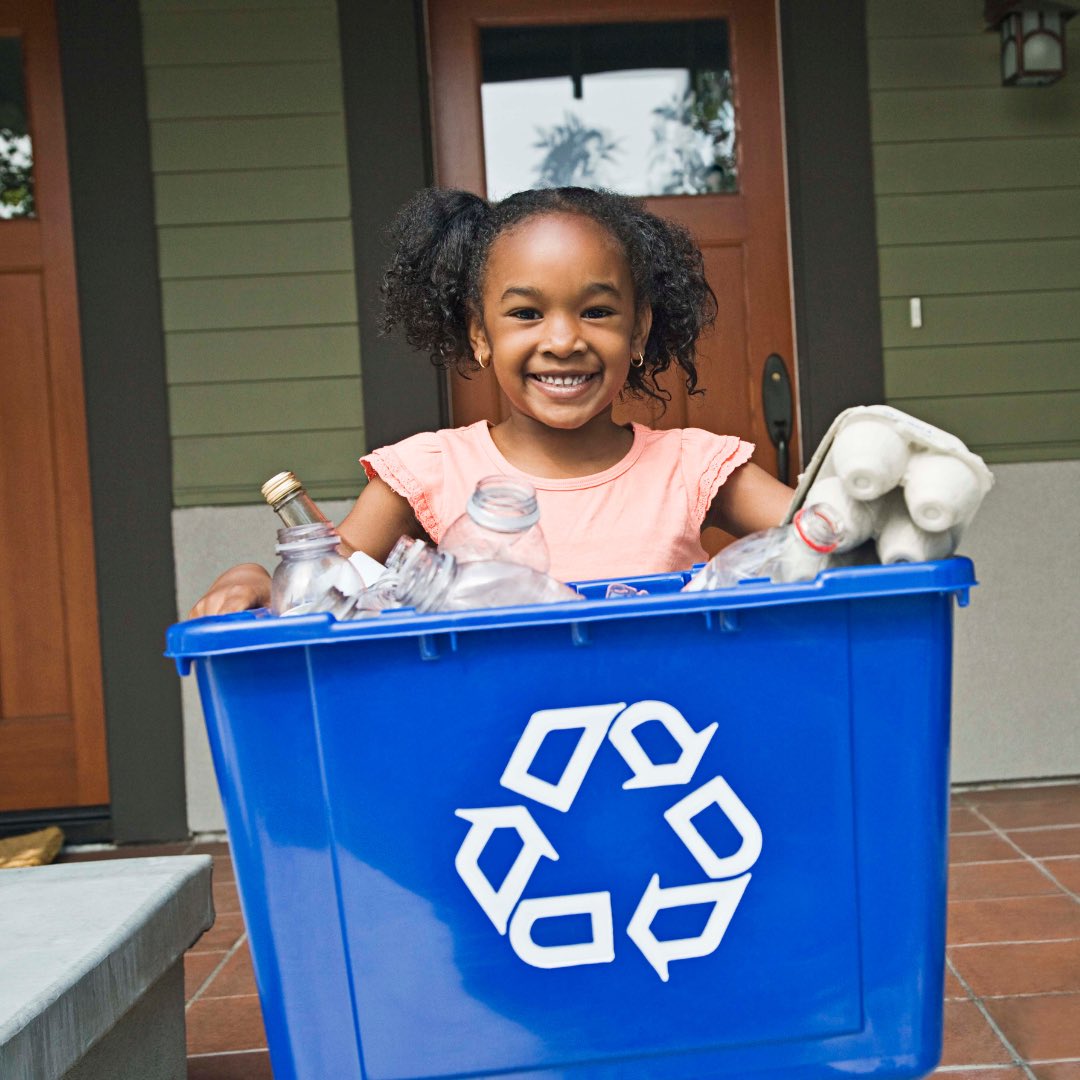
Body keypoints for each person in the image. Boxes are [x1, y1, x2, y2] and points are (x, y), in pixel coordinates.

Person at [189, 186, 792, 617]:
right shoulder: (430, 471)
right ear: (480, 334)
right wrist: (252, 578)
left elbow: (830, 534)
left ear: (638, 332)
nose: (562, 341)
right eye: (526, 313)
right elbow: (326, 582)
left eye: (597, 312)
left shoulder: (694, 469)